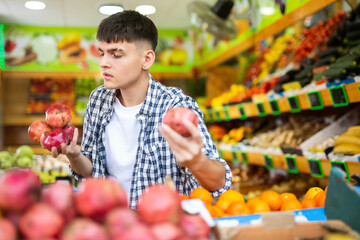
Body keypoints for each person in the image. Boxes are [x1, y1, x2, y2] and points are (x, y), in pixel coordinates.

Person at [43, 10, 232, 209]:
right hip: (110, 220)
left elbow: (219, 183)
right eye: (102, 53)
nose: (103, 63)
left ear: (147, 59)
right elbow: (92, 171)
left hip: (162, 227)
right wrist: (74, 156)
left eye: (116, 55)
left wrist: (197, 161)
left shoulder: (176, 106)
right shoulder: (97, 100)